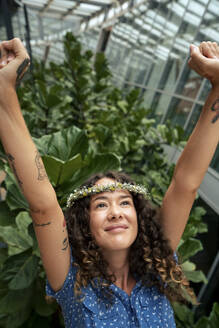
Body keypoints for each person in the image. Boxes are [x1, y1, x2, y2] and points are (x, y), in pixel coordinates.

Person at [0, 38, 218, 328]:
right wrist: (4, 92)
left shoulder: (159, 267)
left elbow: (185, 184)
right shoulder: (72, 281)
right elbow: (43, 205)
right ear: (83, 223)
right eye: (101, 204)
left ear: (140, 219)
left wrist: (218, 85)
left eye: (125, 202)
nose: (116, 212)